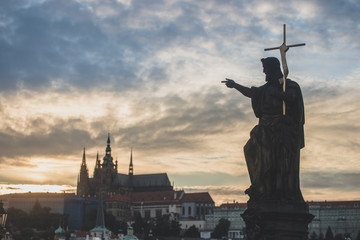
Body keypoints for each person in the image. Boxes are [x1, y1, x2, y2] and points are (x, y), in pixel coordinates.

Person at [224, 57, 305, 204]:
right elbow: (251, 92)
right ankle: (261, 187)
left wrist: (277, 93)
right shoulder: (266, 88)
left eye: (266, 70)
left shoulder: (289, 85)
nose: (264, 72)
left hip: (281, 129)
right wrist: (235, 85)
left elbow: (292, 98)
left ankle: (278, 192)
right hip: (265, 128)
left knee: (279, 162)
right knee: (250, 149)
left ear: (273, 70)